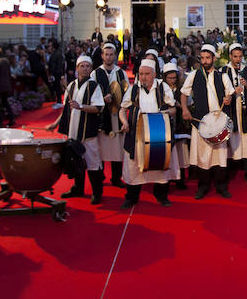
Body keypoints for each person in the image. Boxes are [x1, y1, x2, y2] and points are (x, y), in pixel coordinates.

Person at [119, 61, 179, 208]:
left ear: (154, 74)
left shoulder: (162, 87)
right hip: (136, 134)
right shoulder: (133, 89)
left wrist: (165, 114)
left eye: (147, 74)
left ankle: (161, 195)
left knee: (161, 165)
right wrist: (124, 123)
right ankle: (131, 197)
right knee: (134, 166)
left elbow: (173, 109)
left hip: (159, 132)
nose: (143, 77)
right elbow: (122, 109)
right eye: (141, 74)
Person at [46, 56, 105, 204]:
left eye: (87, 66)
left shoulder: (94, 86)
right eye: (82, 66)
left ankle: (97, 192)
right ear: (77, 68)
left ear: (91, 69)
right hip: (73, 132)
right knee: (76, 161)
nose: (85, 68)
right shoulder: (71, 86)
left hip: (88, 132)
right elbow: (67, 109)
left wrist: (82, 107)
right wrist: (55, 123)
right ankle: (78, 188)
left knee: (93, 162)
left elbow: (98, 108)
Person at [180, 44, 235, 199]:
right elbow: (184, 94)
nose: (205, 61)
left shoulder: (222, 76)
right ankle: (203, 187)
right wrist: (184, 109)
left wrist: (228, 98)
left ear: (213, 58)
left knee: (220, 156)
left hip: (218, 122)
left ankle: (221, 186)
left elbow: (230, 94)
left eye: (207, 58)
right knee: (203, 156)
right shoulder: (193, 75)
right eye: (202, 58)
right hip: (201, 122)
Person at [92, 43, 129, 189]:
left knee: (117, 148)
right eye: (106, 54)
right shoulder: (95, 73)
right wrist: (102, 98)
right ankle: (100, 176)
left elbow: (127, 94)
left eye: (111, 54)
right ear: (102, 56)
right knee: (101, 147)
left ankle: (116, 177)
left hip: (117, 116)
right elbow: (92, 93)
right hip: (102, 116)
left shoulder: (121, 73)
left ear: (115, 55)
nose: (108, 57)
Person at [222, 44, 247, 183]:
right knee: (233, 137)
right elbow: (221, 90)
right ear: (230, 56)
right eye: (235, 57)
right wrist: (232, 92)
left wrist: (246, 85)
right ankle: (232, 169)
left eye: (240, 57)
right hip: (231, 109)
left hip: (245, 107)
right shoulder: (224, 70)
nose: (238, 59)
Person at [161, 63, 189, 188]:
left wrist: (180, 105)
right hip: (165, 124)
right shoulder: (160, 90)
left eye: (174, 78)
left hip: (179, 124)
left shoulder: (181, 90)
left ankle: (180, 179)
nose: (172, 80)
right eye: (169, 78)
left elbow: (189, 105)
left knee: (180, 153)